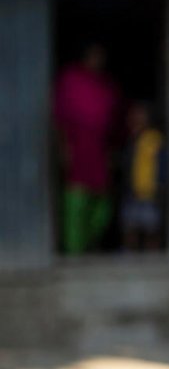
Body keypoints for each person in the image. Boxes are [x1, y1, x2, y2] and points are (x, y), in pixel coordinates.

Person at [53, 42, 121, 254]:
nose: (97, 61)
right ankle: (74, 249)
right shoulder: (71, 80)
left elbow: (116, 122)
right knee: (76, 203)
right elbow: (60, 118)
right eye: (93, 56)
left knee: (103, 206)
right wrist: (64, 148)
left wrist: (112, 151)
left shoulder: (108, 86)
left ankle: (90, 243)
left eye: (100, 57)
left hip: (100, 153)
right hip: (77, 151)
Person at [121, 101, 167, 251]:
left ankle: (152, 254)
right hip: (133, 191)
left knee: (151, 227)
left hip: (150, 191)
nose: (137, 119)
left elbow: (162, 163)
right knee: (130, 225)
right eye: (134, 116)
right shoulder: (131, 140)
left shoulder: (155, 139)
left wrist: (160, 184)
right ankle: (131, 254)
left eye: (141, 115)